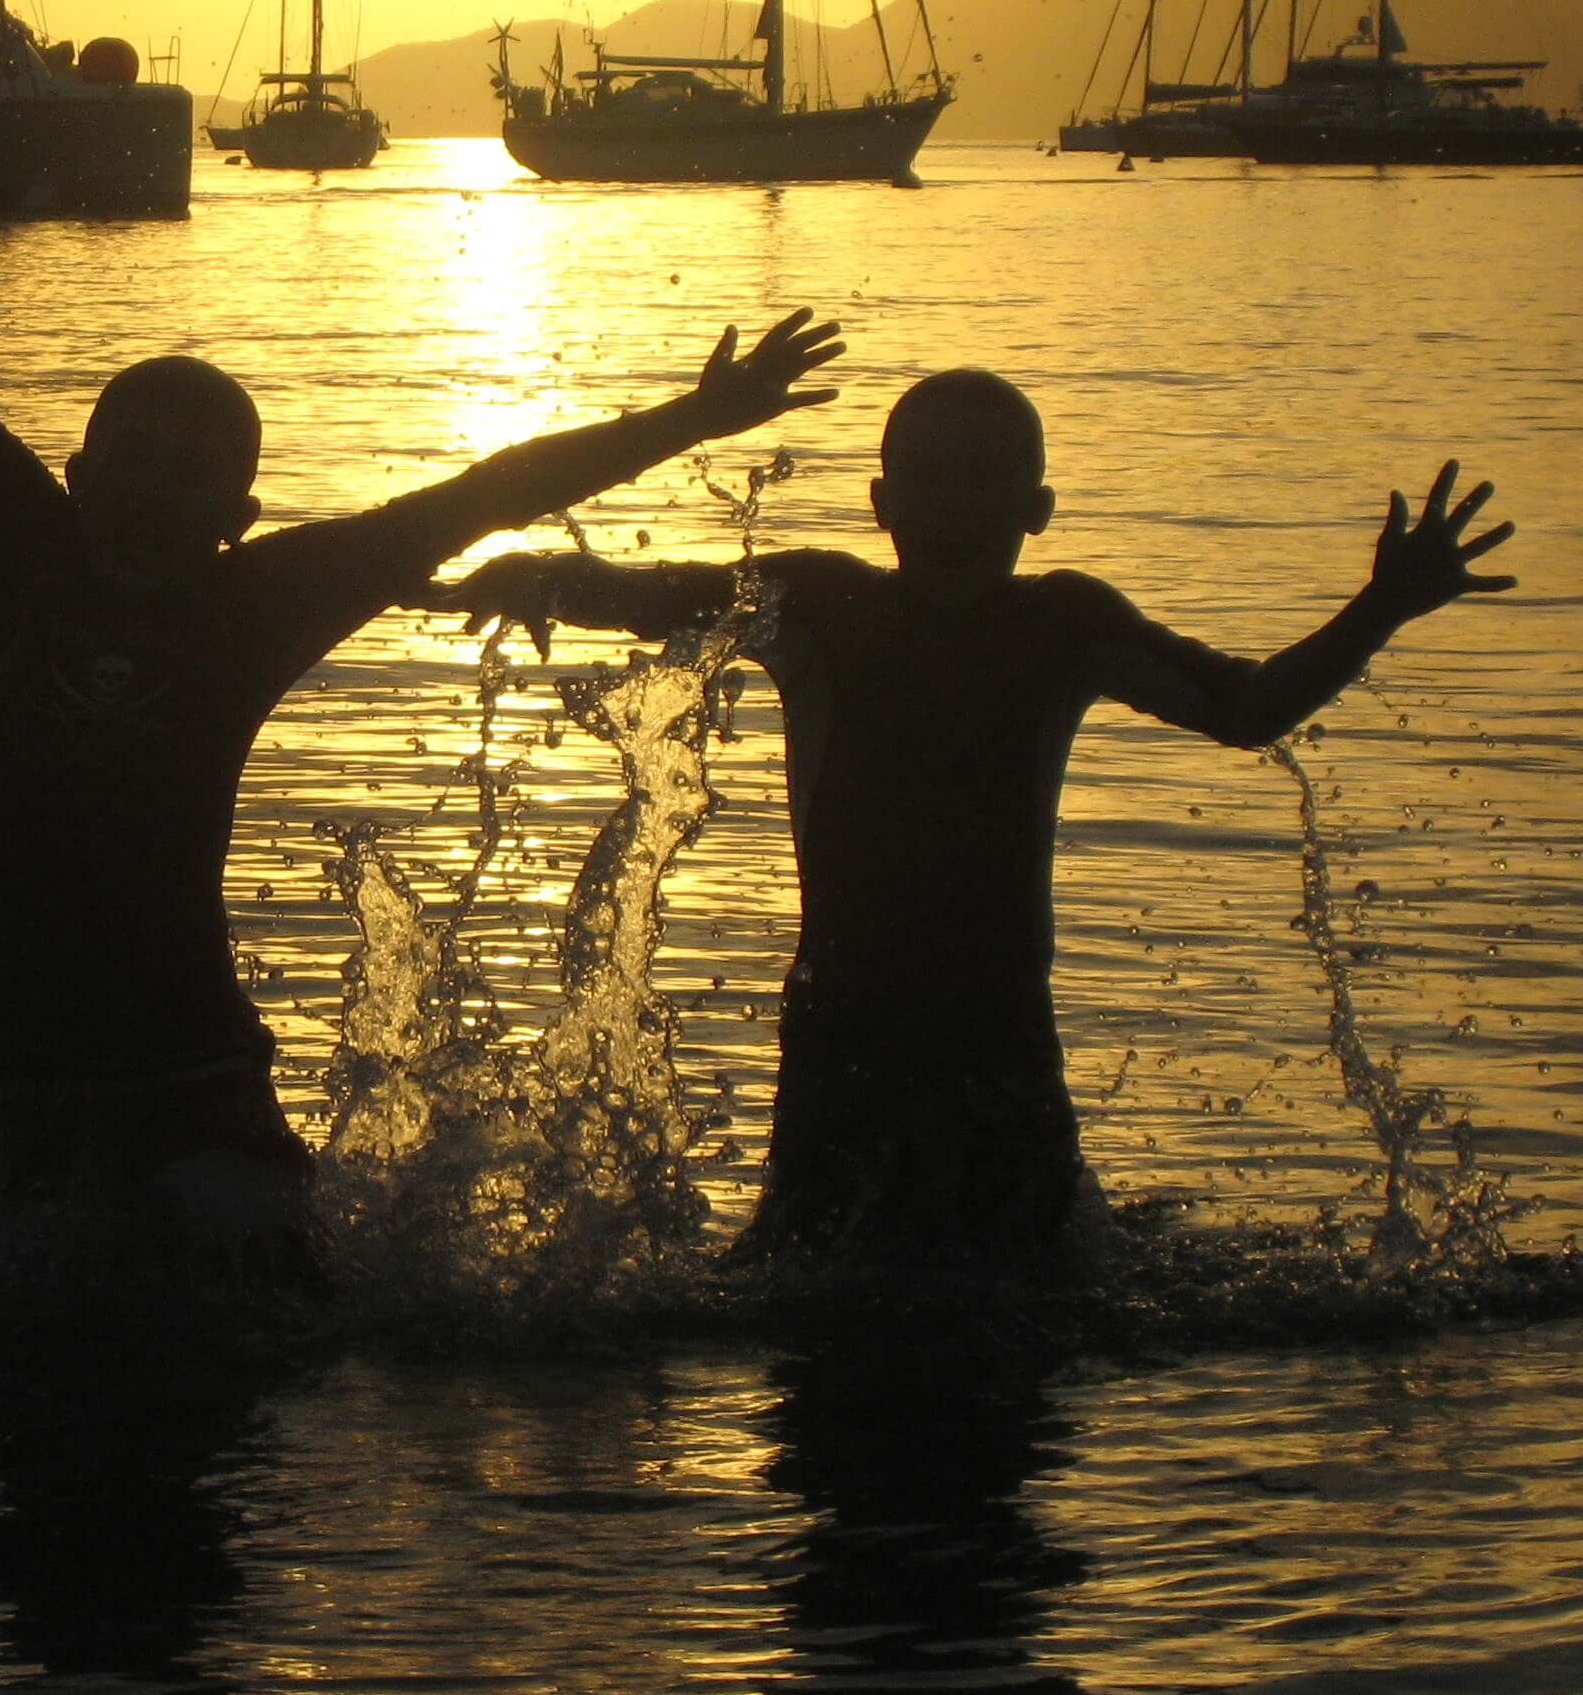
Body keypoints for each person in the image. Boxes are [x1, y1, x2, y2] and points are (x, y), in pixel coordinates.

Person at [0, 0, 843, 1283]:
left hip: (197, 1091)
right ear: (78, 473)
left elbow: (487, 493)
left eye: (193, 476)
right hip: (24, 1085)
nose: (157, 490)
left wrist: (694, 417)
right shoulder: (13, 540)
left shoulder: (255, 602)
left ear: (236, 520)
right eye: (136, 459)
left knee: (245, 1331)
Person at [438, 370, 1514, 1274]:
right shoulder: (822, 605)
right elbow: (653, 594)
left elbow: (1249, 707)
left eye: (985, 482)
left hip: (998, 1031)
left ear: (1035, 510)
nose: (956, 509)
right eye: (932, 480)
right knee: (805, 1283)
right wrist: (539, 573)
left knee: (1036, 1284)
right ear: (883, 502)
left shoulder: (1062, 626)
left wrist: (1381, 607)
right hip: (846, 1032)